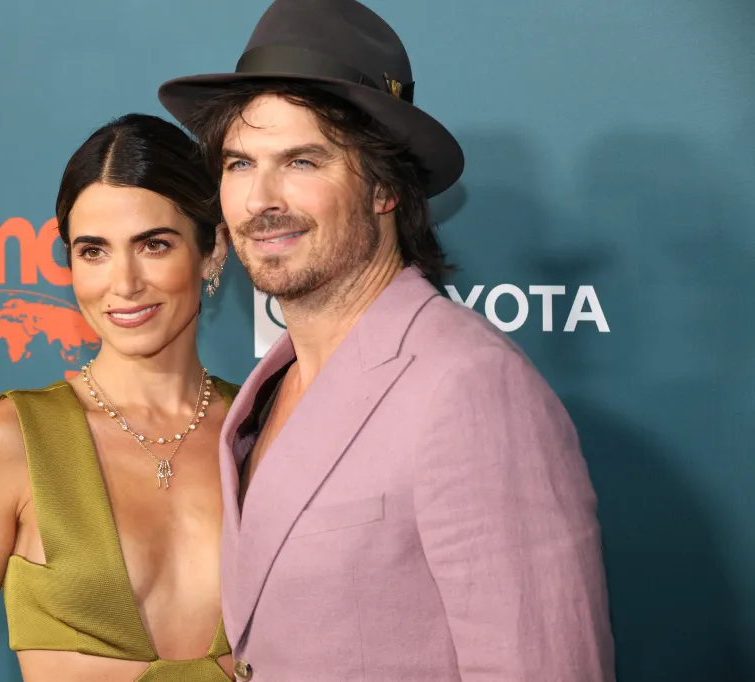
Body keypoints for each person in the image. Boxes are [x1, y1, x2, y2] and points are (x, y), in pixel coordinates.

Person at [158, 0, 617, 680]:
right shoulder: (268, 389)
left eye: (303, 162)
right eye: (239, 164)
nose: (261, 199)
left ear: (383, 187)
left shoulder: (470, 386)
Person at [0, 113, 238, 682]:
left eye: (153, 244)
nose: (124, 282)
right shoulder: (12, 439)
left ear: (212, 252)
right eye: (93, 251)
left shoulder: (265, 427)